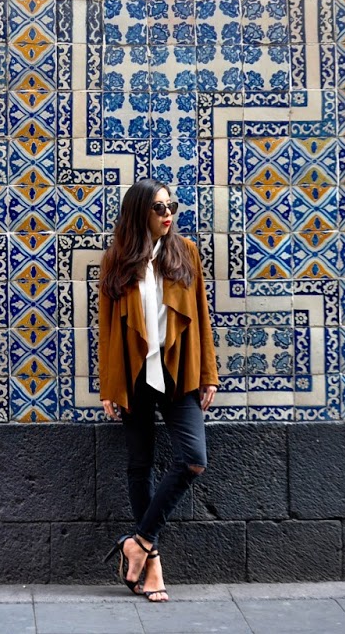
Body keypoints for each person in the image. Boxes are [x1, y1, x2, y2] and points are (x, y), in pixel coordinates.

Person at [96, 178, 219, 603]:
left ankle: (138, 542)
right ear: (139, 213)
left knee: (193, 459)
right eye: (159, 208)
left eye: (171, 206)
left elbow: (201, 314)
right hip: (134, 374)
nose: (168, 214)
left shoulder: (186, 252)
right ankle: (152, 566)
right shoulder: (117, 259)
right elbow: (107, 327)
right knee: (140, 466)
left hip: (178, 371)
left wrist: (208, 373)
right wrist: (109, 385)